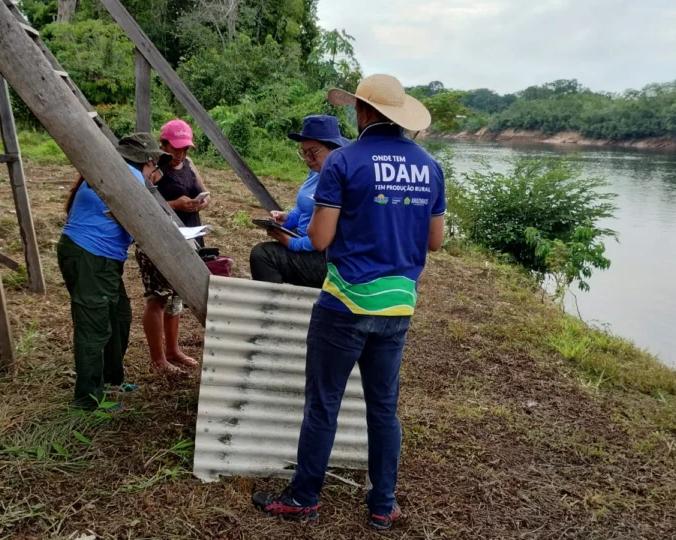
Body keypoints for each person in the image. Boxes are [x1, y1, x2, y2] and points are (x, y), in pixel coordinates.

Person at [252, 74, 446, 530]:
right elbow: (434, 241)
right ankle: (383, 505)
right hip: (397, 307)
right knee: (383, 408)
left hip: (345, 304)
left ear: (361, 112)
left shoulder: (343, 161)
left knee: (324, 404)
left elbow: (319, 238)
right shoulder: (429, 166)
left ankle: (303, 499)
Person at [57, 133, 172, 409]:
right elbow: (146, 224)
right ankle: (89, 400)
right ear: (146, 161)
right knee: (93, 326)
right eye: (155, 162)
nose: (157, 168)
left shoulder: (113, 172)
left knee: (119, 316)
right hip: (90, 257)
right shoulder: (130, 176)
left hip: (100, 258)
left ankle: (112, 381)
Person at [133, 119, 207, 374]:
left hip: (188, 237)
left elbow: (202, 190)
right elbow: (141, 203)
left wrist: (200, 202)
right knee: (157, 298)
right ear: (162, 144)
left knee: (177, 296)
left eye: (185, 149)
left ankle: (173, 350)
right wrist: (176, 204)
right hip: (160, 240)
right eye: (175, 148)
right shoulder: (154, 168)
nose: (180, 154)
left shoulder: (188, 164)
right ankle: (158, 359)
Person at [249, 115, 349, 288]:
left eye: (313, 152)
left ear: (333, 149)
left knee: (262, 255)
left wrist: (293, 243)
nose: (308, 159)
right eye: (304, 153)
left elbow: (328, 235)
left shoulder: (340, 178)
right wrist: (287, 219)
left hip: (328, 256)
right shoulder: (316, 171)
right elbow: (304, 208)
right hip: (305, 243)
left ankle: (273, 311)